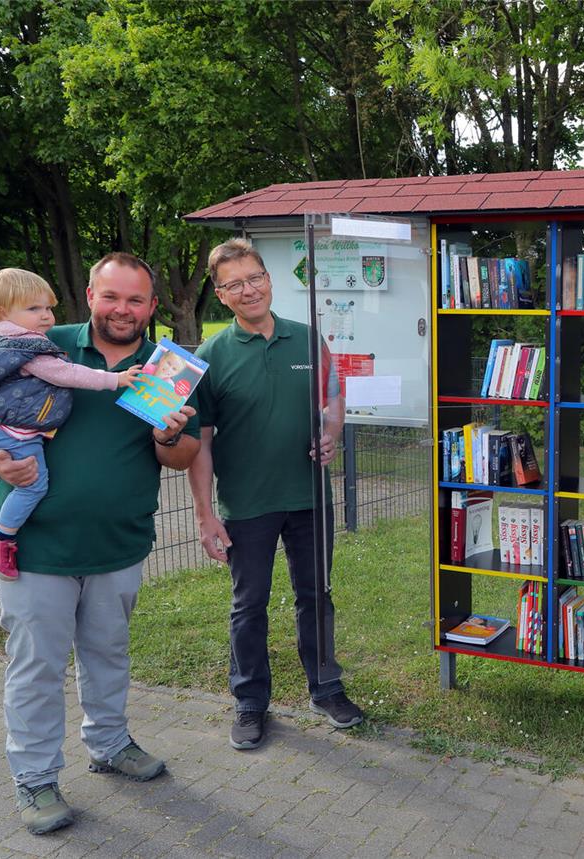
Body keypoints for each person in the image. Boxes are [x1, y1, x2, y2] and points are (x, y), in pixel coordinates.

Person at [0, 253, 199, 836]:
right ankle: (36, 778)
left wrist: (169, 435)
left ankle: (111, 744)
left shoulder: (169, 367)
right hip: (36, 547)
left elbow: (184, 454)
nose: (123, 309)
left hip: (119, 543)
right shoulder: (42, 340)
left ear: (151, 306)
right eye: (112, 296)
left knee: (108, 654)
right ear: (90, 295)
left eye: (137, 300)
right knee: (36, 666)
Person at [188, 237, 363, 752]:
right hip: (247, 505)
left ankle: (326, 687)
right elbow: (199, 443)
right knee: (250, 604)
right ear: (221, 295)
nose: (249, 290)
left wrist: (330, 432)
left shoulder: (309, 339)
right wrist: (204, 515)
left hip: (309, 497)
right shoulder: (209, 356)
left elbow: (333, 398)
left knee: (317, 596)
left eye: (255, 277)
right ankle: (249, 703)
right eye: (234, 284)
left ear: (269, 278)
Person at [0, 268, 143, 580]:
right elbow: (68, 373)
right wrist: (116, 379)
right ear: (4, 311)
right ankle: (0, 539)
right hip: (20, 434)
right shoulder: (27, 346)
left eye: (48, 307)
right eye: (34, 309)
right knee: (33, 486)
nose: (46, 317)